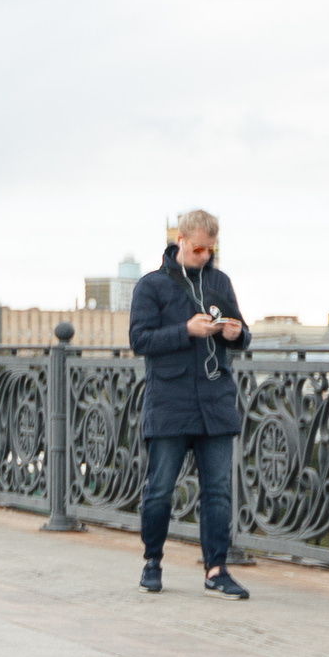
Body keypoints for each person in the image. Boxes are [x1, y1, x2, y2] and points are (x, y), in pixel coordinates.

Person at [131, 210, 250, 598]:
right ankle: (152, 561)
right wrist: (186, 330)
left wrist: (235, 333)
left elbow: (244, 334)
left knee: (218, 490)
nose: (204, 256)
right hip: (169, 402)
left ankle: (216, 569)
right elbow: (141, 341)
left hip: (215, 401)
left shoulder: (220, 281)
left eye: (210, 250)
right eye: (198, 248)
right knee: (160, 488)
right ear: (180, 239)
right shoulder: (152, 286)